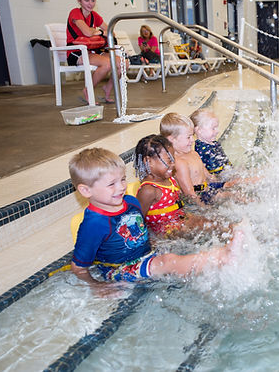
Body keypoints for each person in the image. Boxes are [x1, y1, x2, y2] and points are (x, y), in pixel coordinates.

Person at [68, 147, 243, 295]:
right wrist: (96, 286)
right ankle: (221, 257)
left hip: (145, 254)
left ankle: (216, 270)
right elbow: (78, 267)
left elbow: (141, 230)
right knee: (166, 261)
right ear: (85, 190)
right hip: (119, 269)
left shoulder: (130, 202)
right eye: (111, 184)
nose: (121, 187)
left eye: (122, 180)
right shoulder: (94, 224)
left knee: (179, 257)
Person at [133, 134, 231, 237]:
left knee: (218, 222)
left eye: (173, 159)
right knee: (212, 228)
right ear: (149, 161)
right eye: (168, 160)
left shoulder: (169, 179)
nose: (173, 164)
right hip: (167, 233)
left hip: (181, 220)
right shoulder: (149, 190)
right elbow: (138, 220)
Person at [160, 113, 237, 206]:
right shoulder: (180, 163)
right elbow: (189, 193)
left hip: (208, 188)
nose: (193, 140)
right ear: (172, 139)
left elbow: (209, 177)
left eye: (192, 136)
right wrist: (205, 209)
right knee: (234, 197)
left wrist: (223, 185)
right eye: (188, 137)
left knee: (237, 190)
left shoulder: (193, 153)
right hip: (200, 196)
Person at [66, 0, 123, 104]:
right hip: (77, 52)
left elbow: (111, 32)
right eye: (86, 0)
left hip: (93, 51)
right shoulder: (75, 13)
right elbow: (86, 32)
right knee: (107, 64)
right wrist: (95, 31)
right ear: (79, 0)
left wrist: (98, 32)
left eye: (93, 0)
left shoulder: (94, 16)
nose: (90, 4)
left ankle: (107, 88)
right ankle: (88, 90)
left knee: (122, 63)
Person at [190, 109, 232, 175]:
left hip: (227, 174)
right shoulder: (201, 149)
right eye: (213, 128)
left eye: (217, 127)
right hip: (220, 180)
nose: (217, 131)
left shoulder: (214, 143)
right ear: (199, 130)